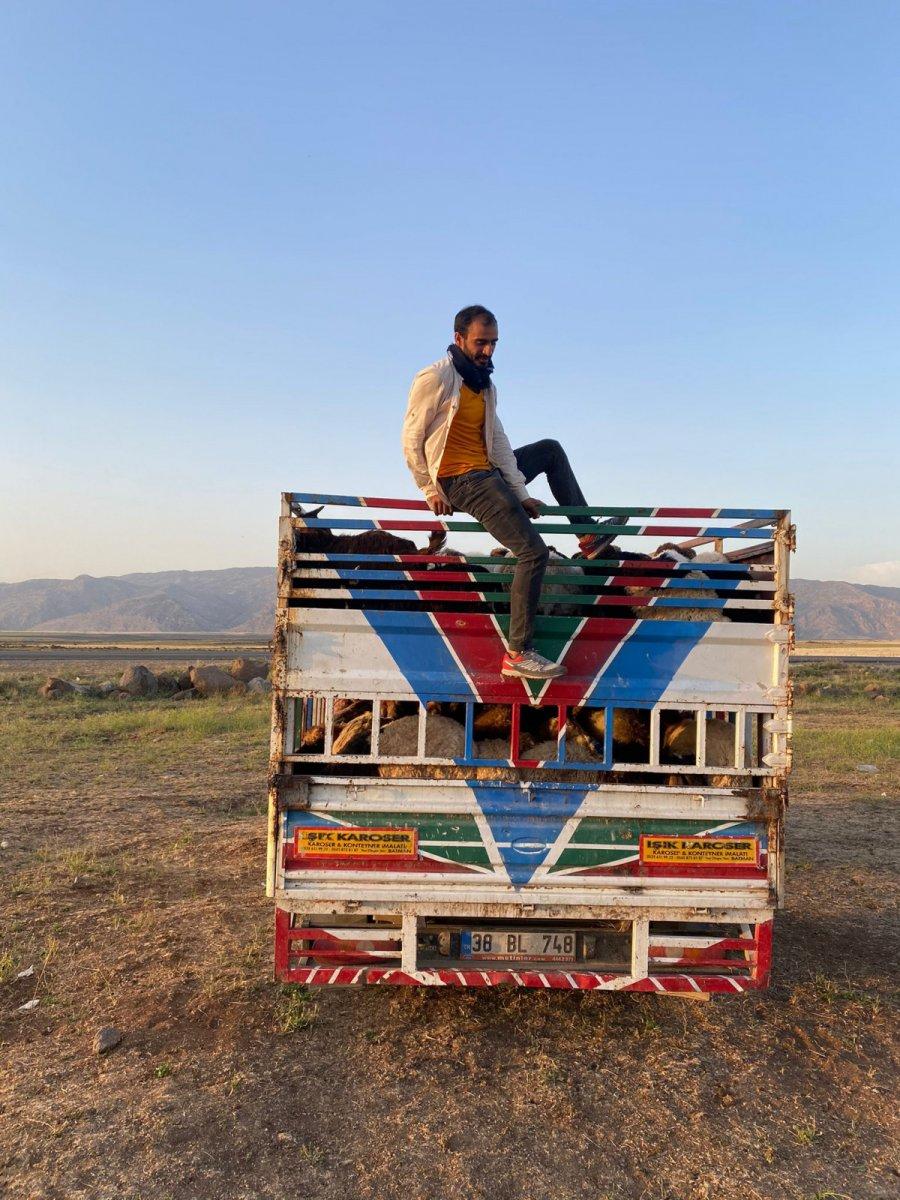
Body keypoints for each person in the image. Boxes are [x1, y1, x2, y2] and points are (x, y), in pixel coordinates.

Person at [402, 305, 618, 681]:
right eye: (480, 343)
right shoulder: (435, 377)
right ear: (458, 339)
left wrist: (519, 492)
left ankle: (588, 536)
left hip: (489, 471)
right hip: (461, 480)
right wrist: (428, 488)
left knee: (549, 449)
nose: (488, 351)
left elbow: (498, 443)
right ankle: (518, 652)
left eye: (494, 343)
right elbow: (411, 437)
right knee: (532, 552)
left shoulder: (484, 384)